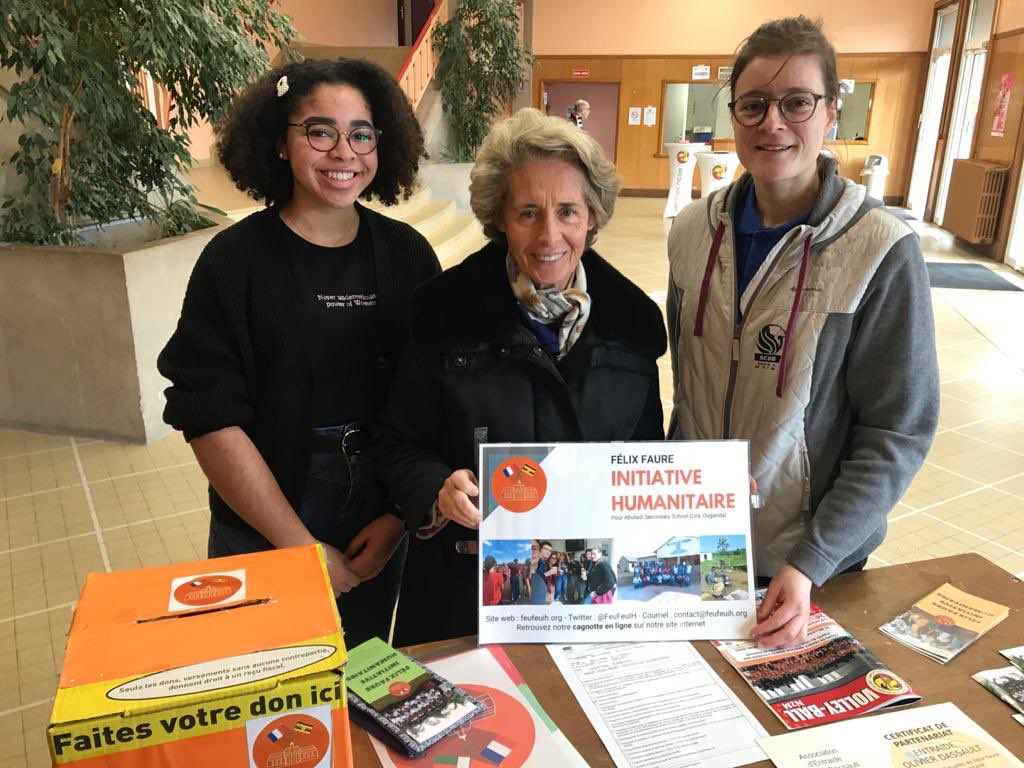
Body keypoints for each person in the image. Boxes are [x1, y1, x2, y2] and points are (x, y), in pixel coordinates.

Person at [666, 17, 938, 648]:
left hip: (811, 563)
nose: (773, 122)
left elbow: (897, 431)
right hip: (698, 540)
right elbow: (688, 391)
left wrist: (812, 559)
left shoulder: (879, 249)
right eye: (753, 104)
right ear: (733, 116)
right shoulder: (691, 233)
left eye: (797, 102)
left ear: (831, 112)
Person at [158, 59, 441, 649]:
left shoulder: (408, 255)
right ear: (279, 141)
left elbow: (434, 400)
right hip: (264, 517)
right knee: (267, 685)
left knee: (361, 671)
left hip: (377, 519)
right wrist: (299, 546)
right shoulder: (234, 262)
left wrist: (397, 517)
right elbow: (208, 414)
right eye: (320, 131)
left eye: (361, 134)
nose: (344, 152)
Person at [373, 107, 666, 644]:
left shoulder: (633, 326)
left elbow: (646, 457)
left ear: (592, 217)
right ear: (500, 220)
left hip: (591, 605)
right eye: (528, 212)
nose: (549, 235)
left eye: (568, 211)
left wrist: (704, 494)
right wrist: (435, 488)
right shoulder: (444, 315)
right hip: (463, 592)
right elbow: (396, 440)